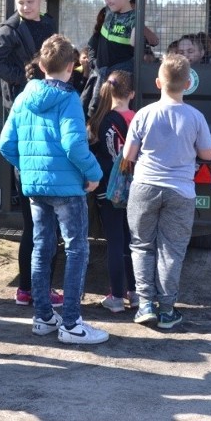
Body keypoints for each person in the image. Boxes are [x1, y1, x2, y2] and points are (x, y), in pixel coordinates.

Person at [0, 34, 108, 345]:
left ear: (41, 64)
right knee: (77, 250)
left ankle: (43, 317)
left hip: (34, 187)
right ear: (72, 66)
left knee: (42, 248)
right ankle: (72, 323)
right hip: (68, 189)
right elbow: (74, 144)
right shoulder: (69, 98)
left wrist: (29, 167)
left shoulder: (22, 97)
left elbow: (5, 144)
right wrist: (94, 172)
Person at [122, 54, 211, 329]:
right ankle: (166, 310)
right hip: (181, 191)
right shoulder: (196, 117)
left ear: (158, 82)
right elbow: (207, 154)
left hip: (144, 188)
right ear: (188, 83)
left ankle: (145, 304)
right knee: (171, 250)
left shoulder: (143, 114)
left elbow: (129, 154)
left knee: (141, 245)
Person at [0, 0, 63, 308]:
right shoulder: (8, 30)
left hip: (48, 116)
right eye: (20, 0)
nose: (25, 4)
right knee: (36, 223)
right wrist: (24, 79)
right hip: (25, 116)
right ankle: (31, 287)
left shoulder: (48, 26)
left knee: (42, 224)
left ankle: (34, 287)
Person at [83, 0, 158, 116]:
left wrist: (138, 31)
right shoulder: (109, 10)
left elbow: (138, 45)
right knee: (92, 106)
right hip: (102, 68)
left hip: (121, 72)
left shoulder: (135, 18)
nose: (107, 2)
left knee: (114, 107)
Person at [86, 70, 138, 313]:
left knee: (115, 242)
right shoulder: (139, 118)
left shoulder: (100, 121)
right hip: (136, 189)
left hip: (109, 191)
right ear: (132, 94)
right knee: (134, 242)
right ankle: (135, 293)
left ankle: (116, 296)